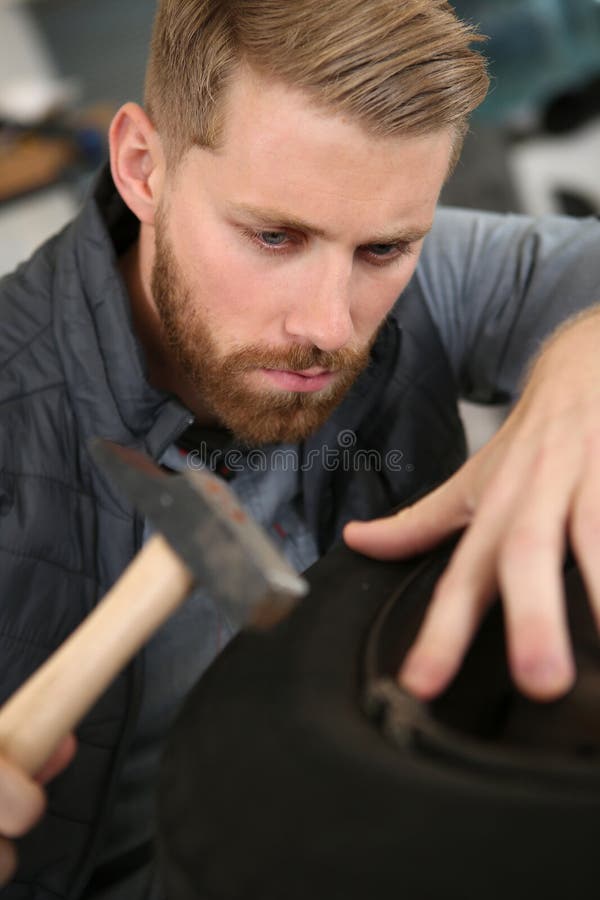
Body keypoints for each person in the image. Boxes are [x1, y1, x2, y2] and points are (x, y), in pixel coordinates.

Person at [0, 0, 599, 897]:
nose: (327, 326)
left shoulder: (418, 272)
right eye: (273, 236)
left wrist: (585, 361)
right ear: (142, 169)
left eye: (385, 249)